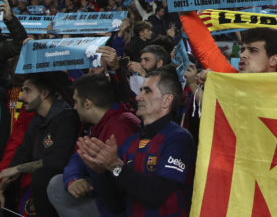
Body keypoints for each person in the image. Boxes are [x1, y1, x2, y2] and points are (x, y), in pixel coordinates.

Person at [76, 68, 194, 216]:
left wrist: (115, 166)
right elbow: (116, 204)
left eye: (147, 91)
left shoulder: (178, 139)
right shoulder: (130, 143)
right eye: (140, 91)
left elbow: (157, 194)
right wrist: (100, 173)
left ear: (166, 100)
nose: (138, 97)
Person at [47, 73, 140, 217]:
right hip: (105, 193)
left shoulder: (121, 126)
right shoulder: (99, 124)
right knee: (58, 184)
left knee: (56, 188)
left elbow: (121, 189)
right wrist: (73, 179)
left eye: (76, 101)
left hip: (122, 206)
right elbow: (77, 159)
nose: (75, 107)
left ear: (88, 103)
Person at [0, 73, 80, 217]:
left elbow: (58, 160)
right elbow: (22, 153)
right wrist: (2, 186)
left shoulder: (67, 117)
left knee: (41, 177)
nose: (21, 97)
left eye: (27, 91)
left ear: (44, 93)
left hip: (62, 186)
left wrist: (17, 169)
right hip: (39, 187)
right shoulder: (36, 120)